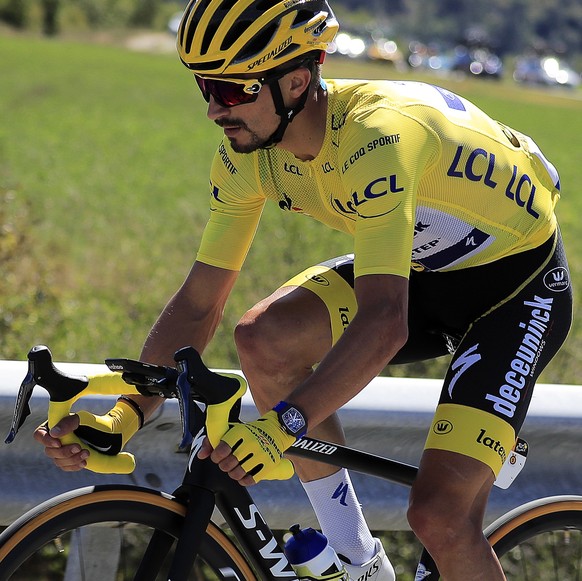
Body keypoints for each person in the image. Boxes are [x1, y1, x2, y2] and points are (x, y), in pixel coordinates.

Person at [34, 0, 573, 579]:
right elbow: (199, 301)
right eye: (205, 88)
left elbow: (385, 321)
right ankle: (360, 561)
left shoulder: (377, 141)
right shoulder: (249, 157)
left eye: (234, 90)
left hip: (514, 291)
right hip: (425, 273)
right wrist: (126, 415)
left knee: (441, 517)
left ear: (295, 81)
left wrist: (284, 425)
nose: (216, 109)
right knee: (265, 337)